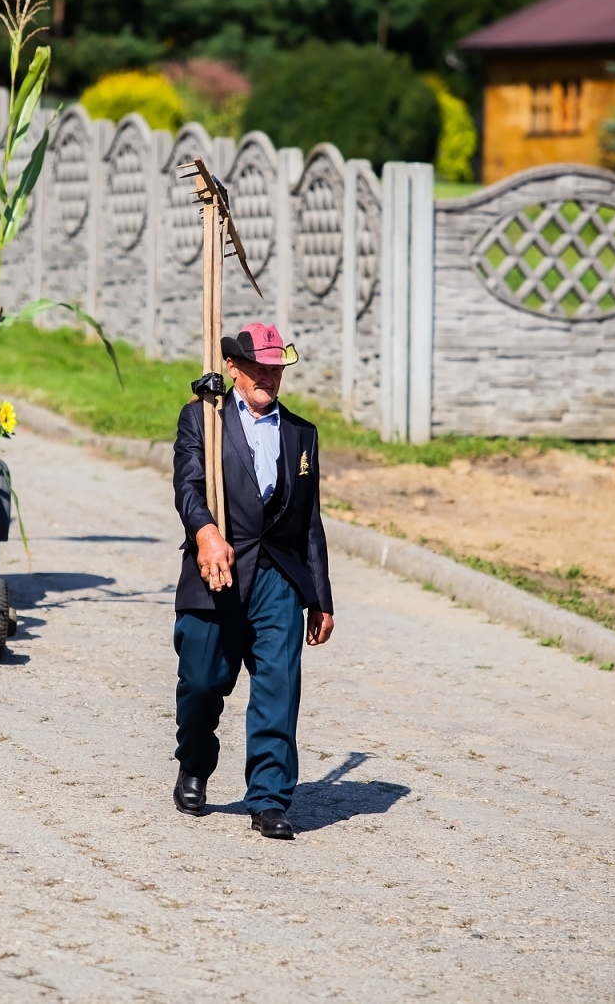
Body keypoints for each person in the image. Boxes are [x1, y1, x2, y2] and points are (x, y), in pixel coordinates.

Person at [171, 323, 335, 841]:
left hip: (279, 577)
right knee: (201, 682)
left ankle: (269, 798)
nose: (268, 376)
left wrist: (320, 597)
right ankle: (194, 763)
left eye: (275, 368)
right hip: (217, 567)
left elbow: (309, 521)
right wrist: (206, 533)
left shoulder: (302, 433)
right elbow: (188, 485)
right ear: (233, 367)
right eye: (258, 367)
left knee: (279, 687)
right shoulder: (204, 417)